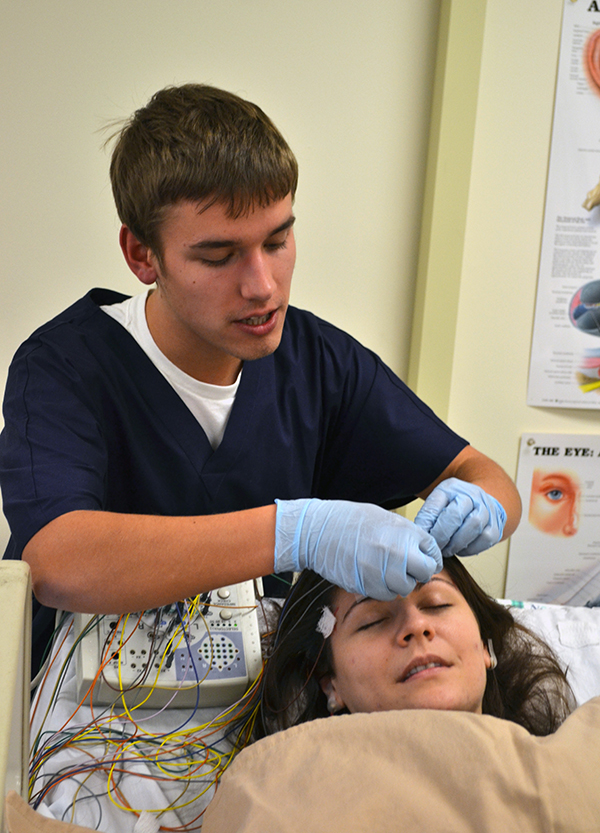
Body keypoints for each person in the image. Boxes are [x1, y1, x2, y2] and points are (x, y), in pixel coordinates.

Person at [0, 84, 521, 675]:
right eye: (219, 257)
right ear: (143, 255)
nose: (262, 286)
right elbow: (59, 561)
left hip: (258, 721)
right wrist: (297, 532)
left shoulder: (317, 363)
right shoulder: (67, 365)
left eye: (278, 241)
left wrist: (482, 503)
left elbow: (485, 476)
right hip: (74, 722)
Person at [257, 556, 573, 738]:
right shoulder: (277, 795)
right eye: (372, 621)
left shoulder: (576, 764)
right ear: (330, 685)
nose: (415, 625)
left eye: (437, 604)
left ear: (487, 647)